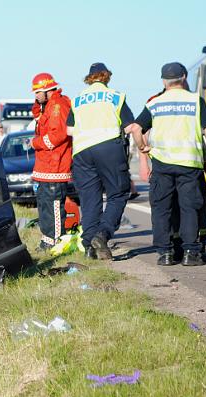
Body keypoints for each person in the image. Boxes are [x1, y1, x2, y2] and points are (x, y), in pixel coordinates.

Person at [131, 62, 206, 266]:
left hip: (162, 164)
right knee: (189, 208)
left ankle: (166, 254)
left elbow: (136, 128)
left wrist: (143, 146)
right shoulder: (195, 101)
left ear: (164, 81)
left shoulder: (155, 103)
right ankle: (190, 253)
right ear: (184, 77)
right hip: (190, 164)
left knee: (162, 209)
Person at [67, 62, 137, 259]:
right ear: (106, 76)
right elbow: (130, 126)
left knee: (90, 199)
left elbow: (69, 130)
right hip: (108, 148)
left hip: (82, 151)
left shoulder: (77, 99)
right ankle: (102, 234)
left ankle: (90, 247)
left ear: (89, 78)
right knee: (118, 193)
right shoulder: (116, 96)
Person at [29, 72, 72, 250]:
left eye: (38, 92)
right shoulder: (48, 105)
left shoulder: (58, 105)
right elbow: (39, 118)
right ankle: (47, 240)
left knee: (54, 206)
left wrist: (35, 143)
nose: (35, 96)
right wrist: (38, 104)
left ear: (48, 89)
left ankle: (56, 242)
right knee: (44, 206)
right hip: (45, 166)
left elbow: (57, 135)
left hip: (55, 166)